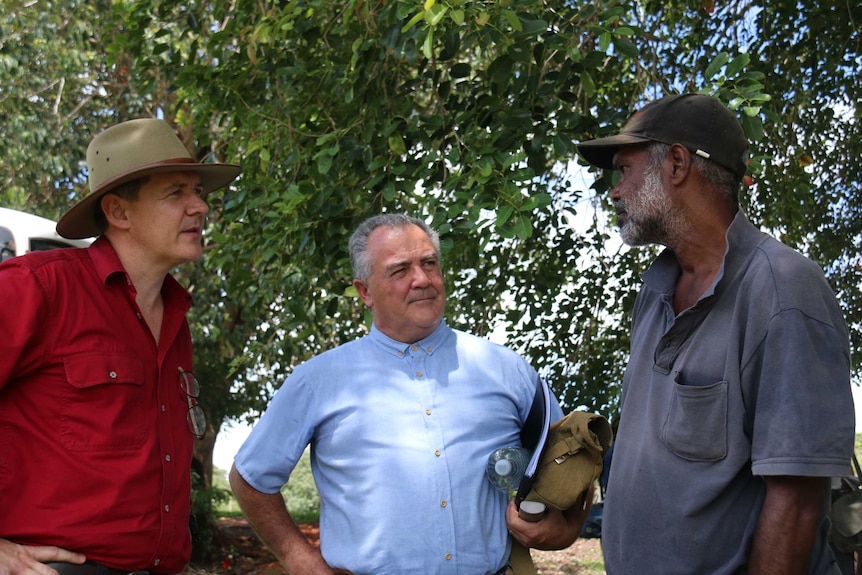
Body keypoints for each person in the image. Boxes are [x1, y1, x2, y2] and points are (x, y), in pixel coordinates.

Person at [576, 93, 854, 574]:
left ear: (678, 163)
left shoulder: (783, 290)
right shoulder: (657, 286)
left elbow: (798, 503)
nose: (615, 192)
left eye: (624, 170)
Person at [229, 213, 589, 575]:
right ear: (364, 291)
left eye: (429, 263)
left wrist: (566, 527)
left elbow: (571, 463)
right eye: (400, 270)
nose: (422, 280)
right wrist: (299, 558)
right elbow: (250, 479)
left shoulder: (507, 371)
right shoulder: (319, 380)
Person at [0, 118, 241, 575]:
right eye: (176, 193)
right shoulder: (39, 289)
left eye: (198, 191)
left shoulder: (175, 321)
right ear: (119, 212)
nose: (200, 208)